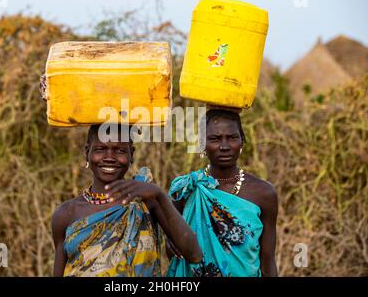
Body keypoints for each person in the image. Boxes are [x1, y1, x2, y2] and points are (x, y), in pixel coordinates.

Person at [52, 124, 202, 277]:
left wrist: (159, 195)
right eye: (100, 150)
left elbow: (194, 255)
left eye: (120, 150)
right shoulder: (66, 213)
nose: (109, 157)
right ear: (87, 153)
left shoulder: (147, 202)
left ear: (132, 154)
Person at [166, 109, 278, 277]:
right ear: (202, 143)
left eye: (232, 138)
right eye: (215, 139)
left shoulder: (264, 193)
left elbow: (268, 262)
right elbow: (173, 251)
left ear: (242, 141)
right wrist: (170, 240)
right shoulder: (186, 189)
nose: (224, 146)